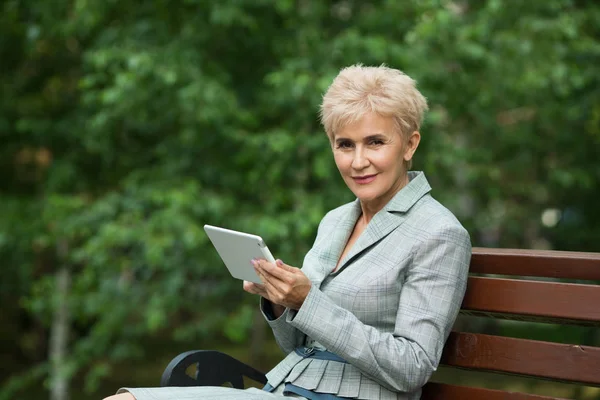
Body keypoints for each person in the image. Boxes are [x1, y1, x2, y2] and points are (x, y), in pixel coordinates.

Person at [104, 64, 471, 400]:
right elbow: (300, 344)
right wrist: (280, 301)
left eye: (375, 142)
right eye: (345, 145)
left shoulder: (439, 233)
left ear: (410, 144)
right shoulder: (335, 221)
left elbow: (412, 367)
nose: (358, 162)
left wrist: (309, 301)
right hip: (286, 388)